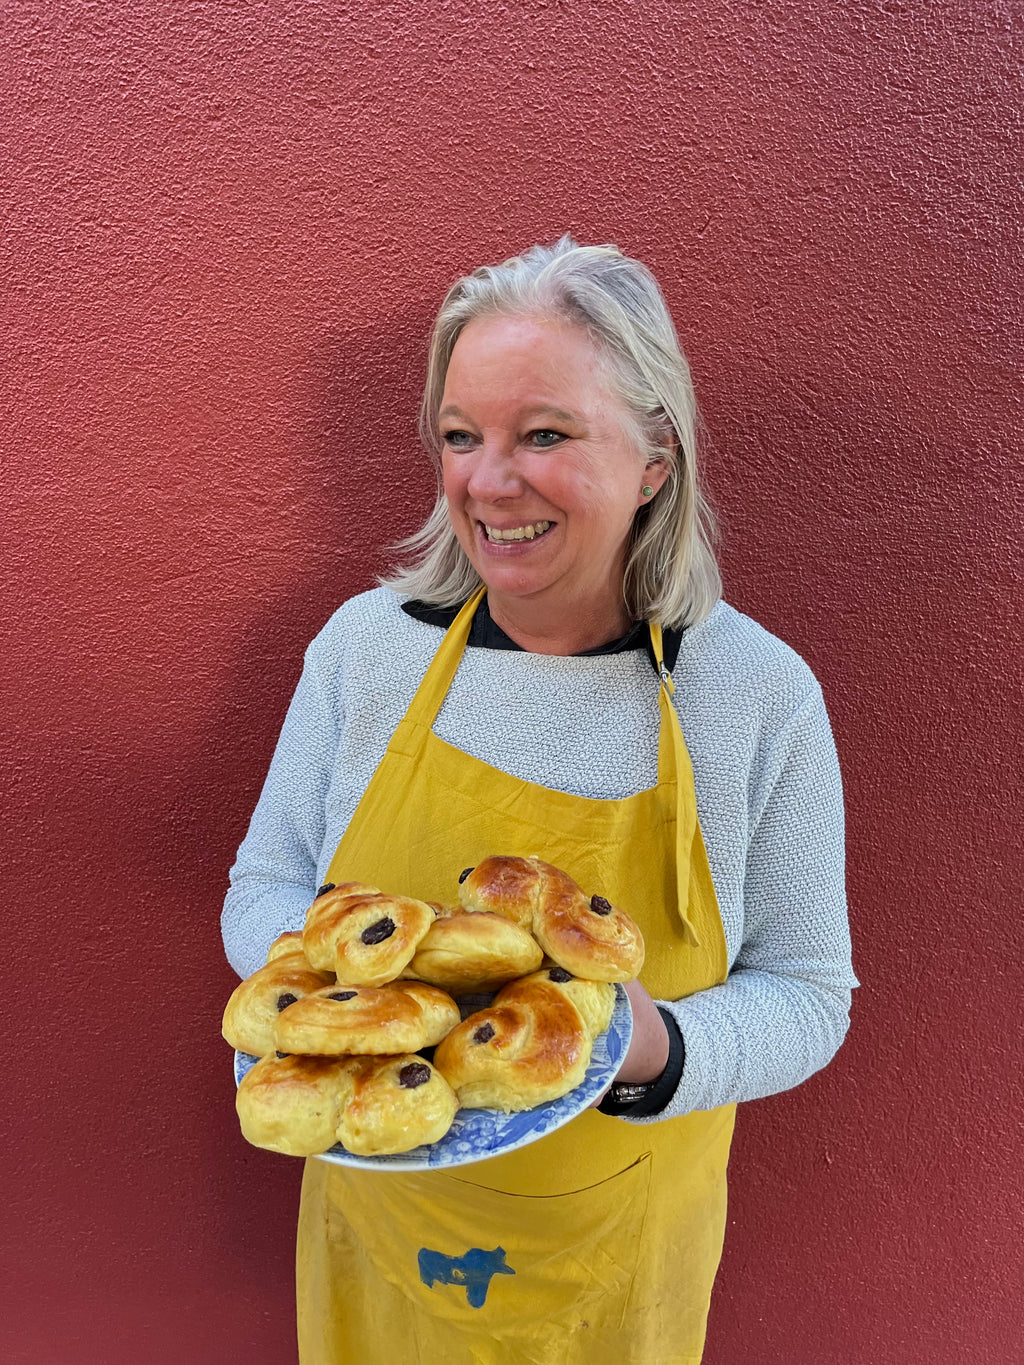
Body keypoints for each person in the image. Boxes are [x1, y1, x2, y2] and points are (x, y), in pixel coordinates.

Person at [221, 236, 857, 1365]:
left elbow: (807, 995)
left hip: (615, 1250)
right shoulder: (368, 653)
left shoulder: (753, 695)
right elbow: (264, 883)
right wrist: (337, 1005)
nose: (488, 481)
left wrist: (644, 1046)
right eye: (461, 436)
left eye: (545, 434)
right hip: (382, 1221)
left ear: (655, 457)